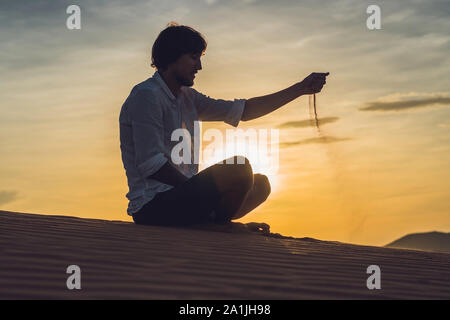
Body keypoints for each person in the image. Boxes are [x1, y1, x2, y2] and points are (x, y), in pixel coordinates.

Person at [119, 23, 328, 227]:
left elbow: (244, 111)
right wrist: (200, 191)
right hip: (153, 206)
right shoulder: (147, 96)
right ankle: (216, 224)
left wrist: (300, 89)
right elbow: (151, 164)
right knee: (239, 169)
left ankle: (210, 222)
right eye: (193, 58)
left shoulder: (188, 98)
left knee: (261, 184)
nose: (199, 67)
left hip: (186, 199)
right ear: (173, 56)